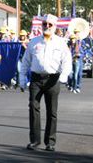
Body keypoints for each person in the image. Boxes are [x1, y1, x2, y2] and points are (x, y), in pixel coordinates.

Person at [19, 14, 71, 152]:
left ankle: (50, 142)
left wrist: (64, 75)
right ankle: (35, 140)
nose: (47, 27)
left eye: (50, 25)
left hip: (53, 79)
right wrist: (22, 78)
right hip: (36, 79)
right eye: (44, 24)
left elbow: (67, 61)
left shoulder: (60, 43)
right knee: (33, 107)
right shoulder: (34, 42)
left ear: (55, 27)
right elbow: (25, 61)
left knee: (52, 111)